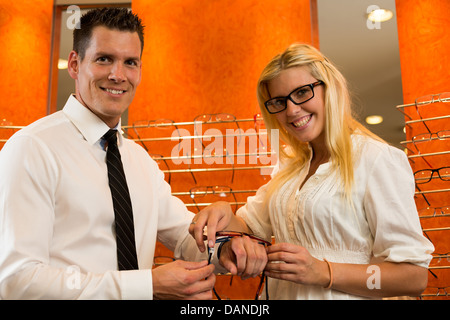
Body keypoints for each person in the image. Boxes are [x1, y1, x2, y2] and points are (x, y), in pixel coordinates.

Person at [0, 7, 223, 300]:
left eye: (130, 62)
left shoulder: (139, 160)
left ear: (140, 71)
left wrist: (227, 248)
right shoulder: (32, 148)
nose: (118, 75)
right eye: (104, 59)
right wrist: (146, 287)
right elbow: (17, 280)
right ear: (75, 64)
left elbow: (185, 236)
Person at [190, 43, 435, 299]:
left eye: (302, 92)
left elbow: (413, 277)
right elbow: (250, 226)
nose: (292, 110)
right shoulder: (289, 166)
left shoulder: (377, 160)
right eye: (279, 102)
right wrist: (222, 212)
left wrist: (324, 272)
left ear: (330, 87)